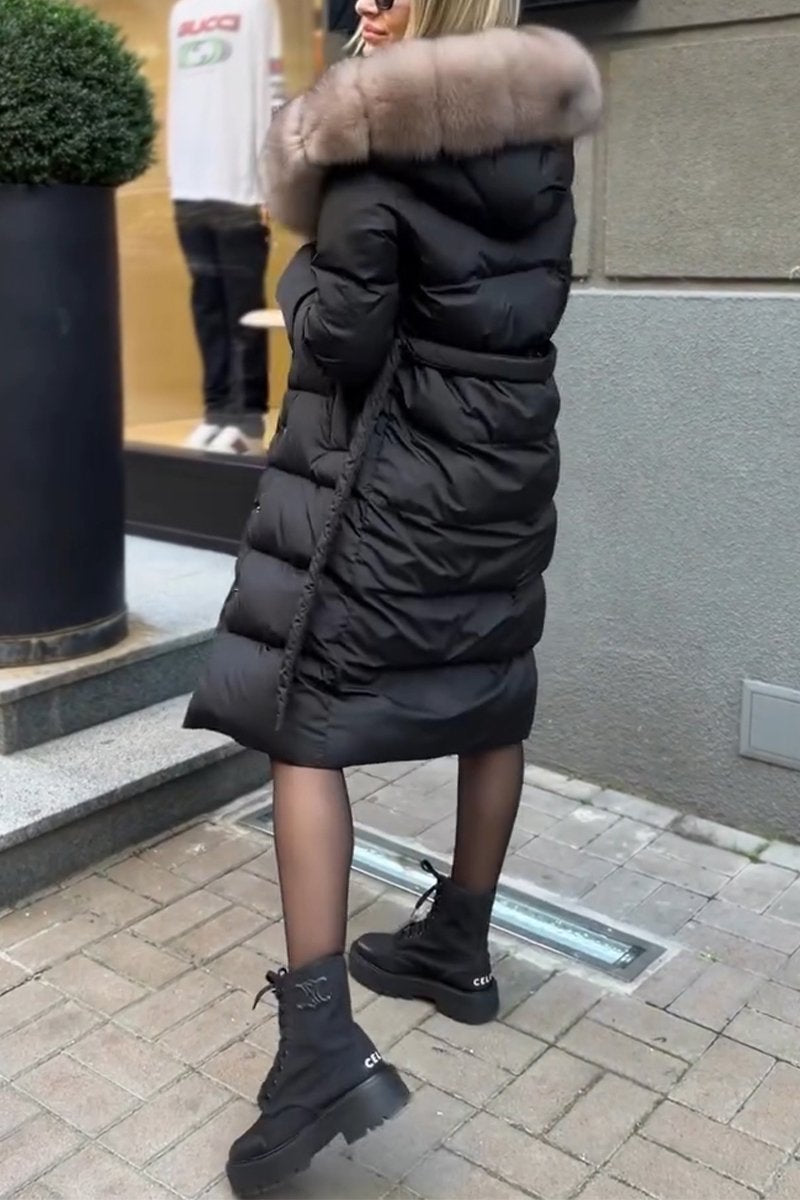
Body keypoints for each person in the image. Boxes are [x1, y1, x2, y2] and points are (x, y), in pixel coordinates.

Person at [185, 0, 602, 1192]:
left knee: (303, 718)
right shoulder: (538, 133)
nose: (363, 5)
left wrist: (299, 260)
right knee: (490, 677)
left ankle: (317, 1051)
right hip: (503, 460)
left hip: (395, 468)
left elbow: (341, 339)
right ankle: (457, 945)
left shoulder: (374, 138)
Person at [167, 0, 285, 455]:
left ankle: (248, 419)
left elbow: (274, 90)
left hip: (240, 185)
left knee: (242, 307)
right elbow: (178, 95)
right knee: (207, 304)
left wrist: (271, 178)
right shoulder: (181, 13)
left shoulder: (256, 7)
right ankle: (216, 411)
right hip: (189, 184)